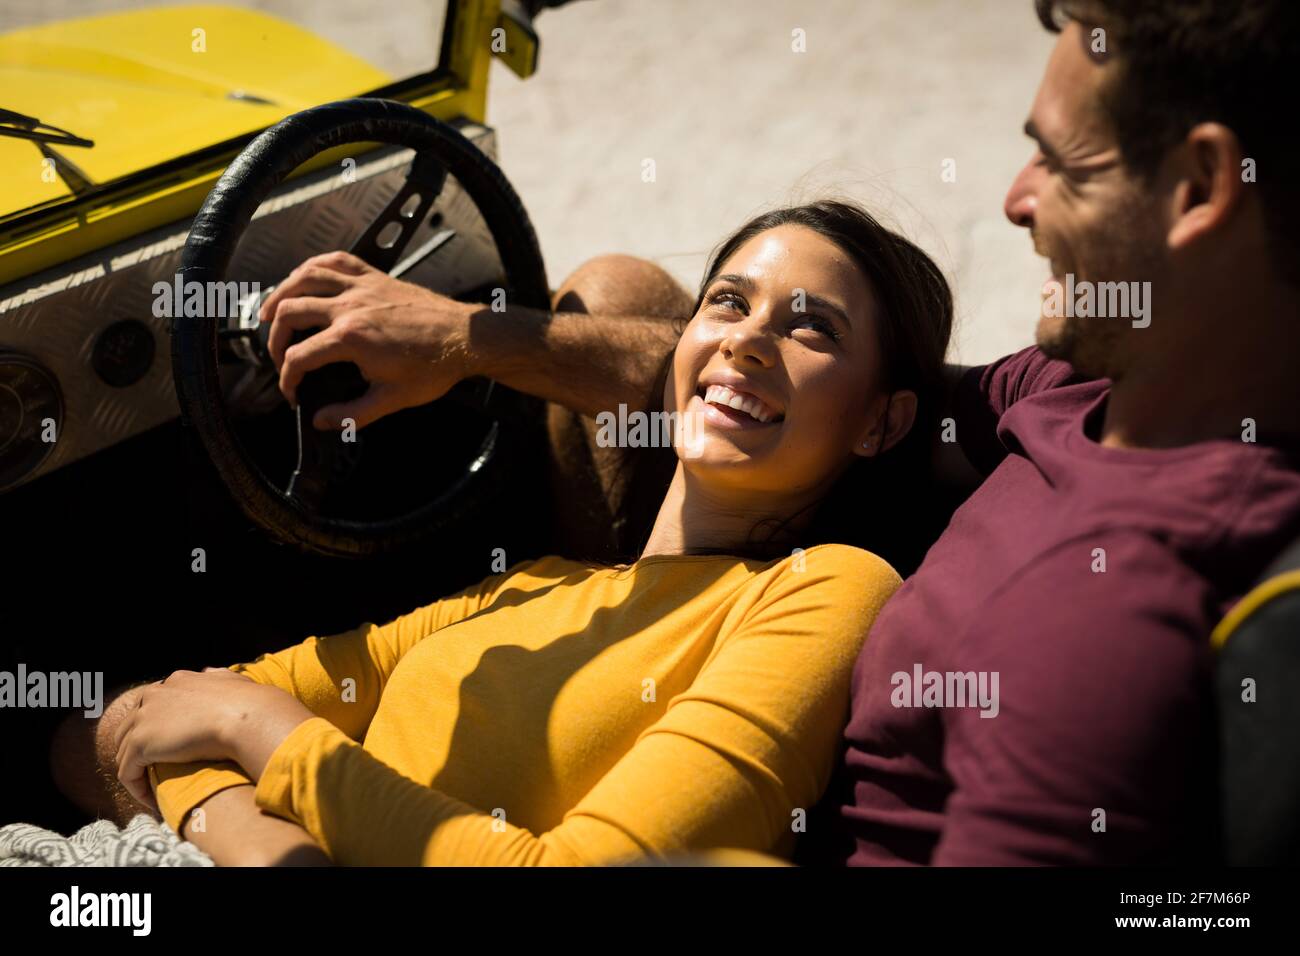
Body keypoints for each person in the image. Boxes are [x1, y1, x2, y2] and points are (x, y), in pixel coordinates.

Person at [167, 0, 1296, 865]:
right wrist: (468, 335)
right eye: (735, 306)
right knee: (615, 285)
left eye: (1059, 158)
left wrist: (266, 752)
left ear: (1199, 187)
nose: (1013, 197)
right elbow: (757, 375)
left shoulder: (1096, 632)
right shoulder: (1061, 390)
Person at [86, 201, 954, 866]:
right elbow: (169, 710)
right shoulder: (536, 585)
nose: (751, 341)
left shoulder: (825, 587)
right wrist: (260, 841)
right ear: (679, 345)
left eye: (812, 327)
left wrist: (266, 739)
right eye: (727, 303)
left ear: (880, 423)